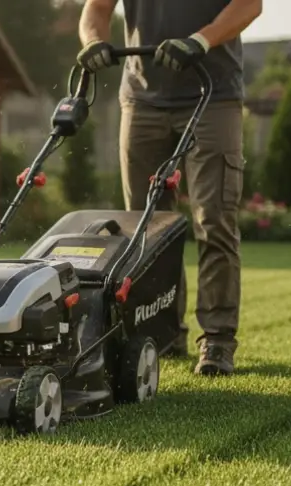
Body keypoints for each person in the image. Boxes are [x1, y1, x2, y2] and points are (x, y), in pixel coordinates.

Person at [76, 0, 262, 376]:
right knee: (145, 229)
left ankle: (217, 341)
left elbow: (250, 5)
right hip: (141, 99)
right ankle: (161, 331)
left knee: (215, 220)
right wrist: (94, 41)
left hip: (212, 94)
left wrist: (200, 40)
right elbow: (95, 8)